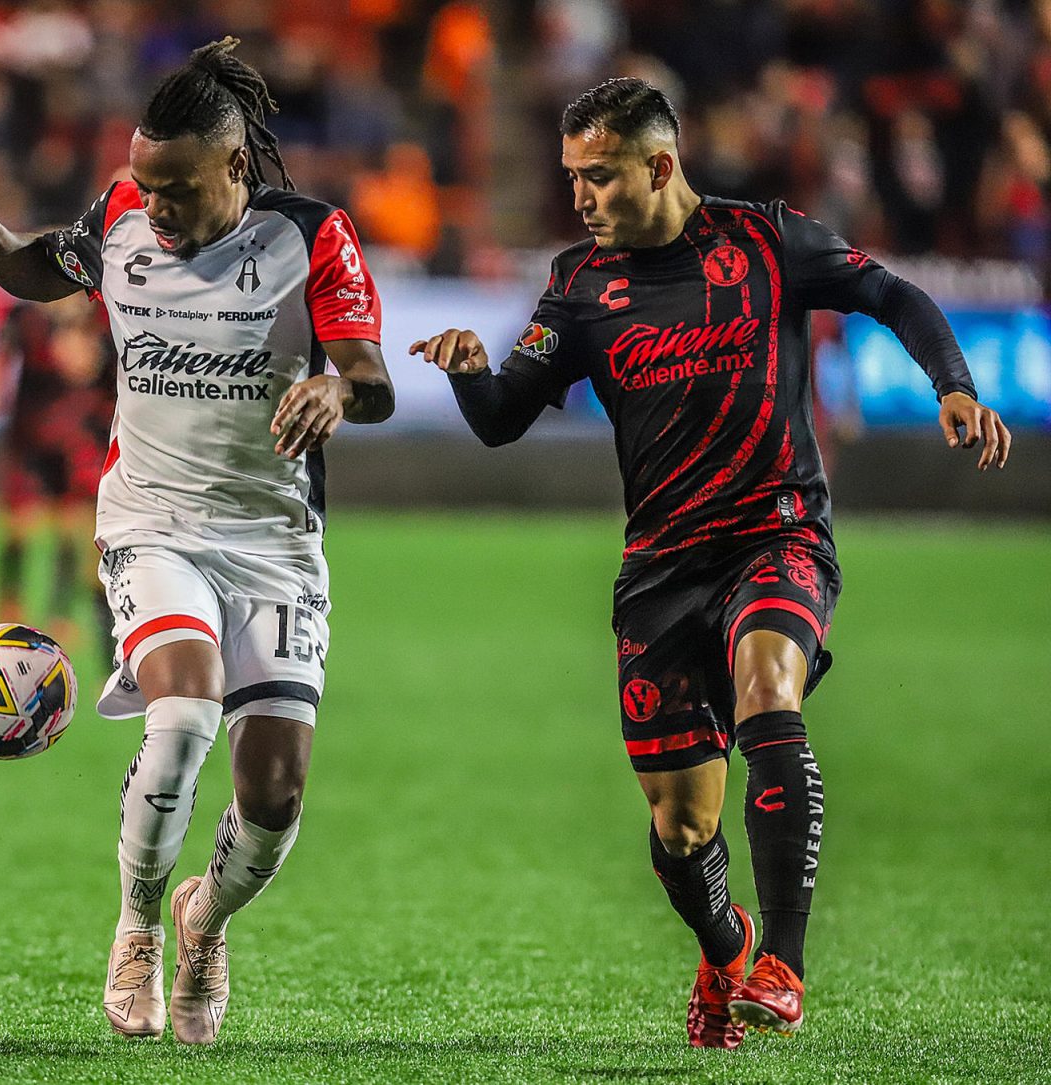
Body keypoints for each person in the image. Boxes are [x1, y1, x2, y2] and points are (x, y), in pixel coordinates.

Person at [411, 78, 1010, 1049]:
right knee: (683, 826)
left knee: (769, 688)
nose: (582, 197)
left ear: (659, 165)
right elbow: (501, 420)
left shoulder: (766, 240)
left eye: (598, 176)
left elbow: (888, 291)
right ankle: (725, 943)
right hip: (660, 570)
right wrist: (475, 368)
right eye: (572, 178)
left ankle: (784, 960)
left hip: (777, 533)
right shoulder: (577, 283)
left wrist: (952, 384)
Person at [0, 38, 394, 1045]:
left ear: (235, 167)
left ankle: (204, 919)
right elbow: (44, 264)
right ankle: (138, 919)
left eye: (176, 190)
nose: (156, 209)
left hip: (273, 542)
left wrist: (333, 386)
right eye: (145, 186)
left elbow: (374, 376)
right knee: (183, 713)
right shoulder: (123, 215)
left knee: (273, 797)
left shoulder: (310, 236)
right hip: (150, 523)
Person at [0, 296, 115, 648]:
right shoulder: (28, 315)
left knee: (74, 531)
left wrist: (83, 341)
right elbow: (0, 354)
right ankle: (8, 607)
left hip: (78, 440)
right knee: (18, 527)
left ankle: (64, 618)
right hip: (29, 438)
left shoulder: (102, 314)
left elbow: (92, 368)